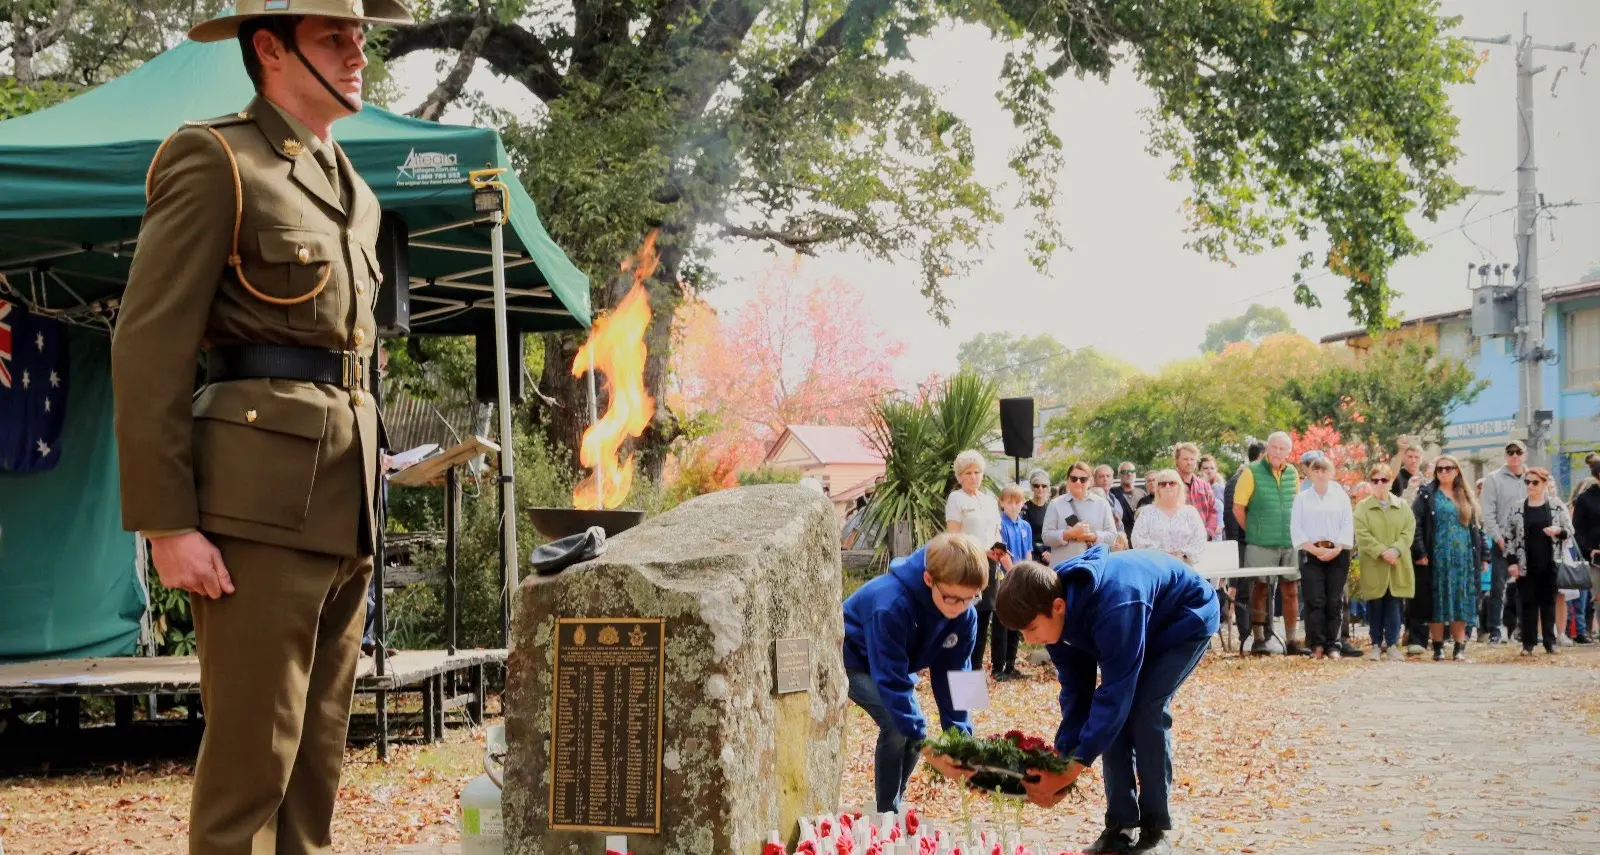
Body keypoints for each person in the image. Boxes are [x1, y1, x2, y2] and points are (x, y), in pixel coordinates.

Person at [109, 3, 412, 852]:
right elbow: (149, 344)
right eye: (333, 38)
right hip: (256, 510)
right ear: (271, 49)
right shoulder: (217, 160)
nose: (357, 53)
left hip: (343, 507)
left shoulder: (354, 187)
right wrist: (167, 523)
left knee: (314, 769)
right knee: (251, 770)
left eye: (359, 37)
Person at [988, 550, 1219, 855]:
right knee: (1108, 715)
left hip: (1185, 619)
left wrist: (1073, 769)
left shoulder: (1114, 604)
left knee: (1144, 711)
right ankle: (1120, 828)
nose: (1030, 641)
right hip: (1140, 626)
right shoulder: (1056, 618)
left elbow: (1116, 695)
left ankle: (1157, 828)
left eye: (1031, 629)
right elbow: (1077, 696)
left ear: (1057, 607)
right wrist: (1063, 761)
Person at [844, 533, 987, 814]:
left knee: (912, 729)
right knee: (898, 725)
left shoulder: (966, 616)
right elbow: (891, 682)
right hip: (853, 659)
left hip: (895, 665)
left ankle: (896, 799)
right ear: (928, 580)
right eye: (952, 598)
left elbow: (959, 676)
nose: (959, 608)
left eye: (969, 598)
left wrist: (962, 739)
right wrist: (930, 750)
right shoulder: (890, 603)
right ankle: (886, 813)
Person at [1410, 454, 1486, 661]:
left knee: (1460, 599)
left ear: (1457, 470)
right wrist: (1420, 552)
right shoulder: (1427, 495)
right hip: (1437, 556)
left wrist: (1484, 555)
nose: (1444, 472)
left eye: (1448, 468)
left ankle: (1460, 645)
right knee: (1437, 600)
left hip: (1463, 558)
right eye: (1440, 469)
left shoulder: (1465, 495)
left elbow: (1477, 528)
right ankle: (1437, 645)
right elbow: (1415, 524)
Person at [1233, 432, 1302, 655]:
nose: (1278, 452)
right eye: (1274, 447)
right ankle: (1259, 639)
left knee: (1291, 590)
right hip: (1260, 543)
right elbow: (1238, 509)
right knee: (1260, 589)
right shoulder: (1251, 472)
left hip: (1288, 541)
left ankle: (1292, 641)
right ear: (1267, 449)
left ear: (1288, 453)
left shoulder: (1292, 473)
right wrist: (1255, 531)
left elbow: (1297, 506)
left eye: (1283, 449)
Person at [1505, 467, 1573, 656]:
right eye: (1527, 482)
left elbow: (1569, 531)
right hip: (1525, 563)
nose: (1531, 486)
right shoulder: (1517, 507)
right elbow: (1509, 536)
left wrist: (1558, 531)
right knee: (1527, 603)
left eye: (1535, 482)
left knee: (1548, 603)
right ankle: (1528, 644)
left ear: (1544, 484)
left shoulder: (1556, 505)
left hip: (1549, 562)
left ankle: (1550, 642)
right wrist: (1512, 562)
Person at [1290, 456, 1354, 659]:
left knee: (1335, 600)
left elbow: (1347, 524)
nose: (1320, 473)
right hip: (1312, 552)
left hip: (1337, 551)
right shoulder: (1302, 498)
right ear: (1310, 472)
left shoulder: (1340, 496)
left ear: (1331, 472)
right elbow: (1297, 528)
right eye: (1316, 469)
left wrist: (1337, 548)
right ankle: (1316, 643)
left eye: (1324, 469)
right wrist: (1315, 550)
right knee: (1315, 599)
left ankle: (1334, 644)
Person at [945, 449, 1002, 671]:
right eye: (968, 472)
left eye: (977, 472)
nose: (973, 477)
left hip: (991, 564)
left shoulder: (989, 500)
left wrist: (1000, 552)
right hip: (967, 564)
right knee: (968, 617)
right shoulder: (956, 499)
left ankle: (976, 669)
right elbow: (954, 536)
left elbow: (997, 532)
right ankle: (963, 675)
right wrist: (979, 551)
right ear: (960, 476)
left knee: (986, 614)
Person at [1354, 464, 1415, 661]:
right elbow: (1362, 534)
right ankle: (1375, 643)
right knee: (1375, 605)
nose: (1380, 484)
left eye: (1384, 480)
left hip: (1397, 563)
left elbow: (1409, 530)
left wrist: (1396, 549)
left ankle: (1392, 644)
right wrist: (1381, 551)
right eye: (1375, 480)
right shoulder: (1363, 507)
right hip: (1374, 563)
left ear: (1390, 482)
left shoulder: (1402, 505)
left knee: (1394, 604)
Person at [1480, 440, 1530, 644]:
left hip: (1527, 542)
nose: (1515, 456)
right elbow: (1488, 514)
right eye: (1511, 452)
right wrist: (1500, 540)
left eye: (1519, 452)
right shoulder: (1493, 479)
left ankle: (1524, 629)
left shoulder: (1533, 477)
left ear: (1525, 454)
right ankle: (1495, 630)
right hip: (1502, 540)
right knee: (1498, 588)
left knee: (1526, 588)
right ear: (1505, 455)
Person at [1043, 461, 1121, 562]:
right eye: (1074, 478)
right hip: (1064, 567)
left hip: (1093, 566)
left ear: (1090, 482)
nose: (1078, 482)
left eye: (1083, 479)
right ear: (1068, 480)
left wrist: (1091, 536)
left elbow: (1112, 537)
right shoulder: (1055, 504)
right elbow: (1046, 537)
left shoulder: (1102, 504)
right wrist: (1070, 533)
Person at [1130, 469, 1209, 565]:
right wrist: (1160, 554)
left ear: (1179, 486)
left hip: (1184, 567)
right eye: (1162, 484)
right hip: (1155, 567)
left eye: (1172, 483)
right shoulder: (1147, 512)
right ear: (1157, 488)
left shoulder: (1190, 512)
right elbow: (1137, 539)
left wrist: (1182, 555)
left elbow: (1200, 539)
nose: (1167, 486)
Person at [994, 483, 1032, 680]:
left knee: (1017, 621)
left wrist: (1028, 573)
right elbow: (1002, 553)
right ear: (1002, 503)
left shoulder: (1025, 526)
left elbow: (1027, 552)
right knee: (1002, 622)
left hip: (1020, 577)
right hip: (1005, 577)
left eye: (1017, 502)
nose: (1014, 506)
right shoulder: (1000, 525)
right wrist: (1014, 574)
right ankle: (997, 666)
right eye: (1010, 502)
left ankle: (1011, 663)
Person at [1173, 442, 1221, 540]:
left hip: (1203, 541)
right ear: (1177, 460)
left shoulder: (1205, 486)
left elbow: (1213, 511)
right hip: (1177, 541)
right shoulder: (1169, 484)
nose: (1189, 462)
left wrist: (1208, 532)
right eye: (1185, 459)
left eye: (1192, 459)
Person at [1023, 469, 1054, 564]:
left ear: (1048, 487)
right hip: (1032, 554)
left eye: (1044, 486)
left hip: (1051, 554)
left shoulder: (1052, 507)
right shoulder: (1025, 508)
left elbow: (1055, 532)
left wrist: (1050, 552)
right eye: (1036, 485)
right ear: (1031, 487)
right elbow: (1025, 535)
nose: (1040, 488)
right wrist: (1041, 551)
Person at [1110, 463, 1143, 538]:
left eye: (1132, 471)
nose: (1129, 474)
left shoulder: (1142, 493)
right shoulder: (1112, 494)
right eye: (1125, 472)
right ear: (1119, 475)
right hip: (1121, 539)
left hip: (1140, 540)